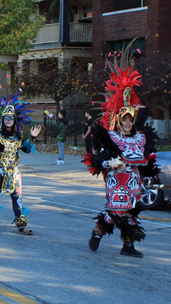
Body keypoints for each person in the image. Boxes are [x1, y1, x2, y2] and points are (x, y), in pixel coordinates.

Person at [83, 63, 159, 258]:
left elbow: (146, 160)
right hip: (117, 180)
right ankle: (98, 232)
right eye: (124, 120)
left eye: (130, 120)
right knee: (116, 212)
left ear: (133, 122)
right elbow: (98, 161)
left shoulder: (140, 138)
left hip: (133, 180)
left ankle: (128, 245)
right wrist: (112, 163)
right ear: (119, 121)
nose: (127, 123)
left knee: (132, 212)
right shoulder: (111, 138)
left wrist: (149, 171)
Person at [0, 94, 41, 233]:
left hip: (14, 169)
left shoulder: (18, 135)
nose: (9, 120)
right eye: (6, 117)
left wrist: (32, 137)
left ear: (14, 120)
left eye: (11, 117)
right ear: (2, 119)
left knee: (17, 195)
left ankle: (21, 224)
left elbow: (25, 149)